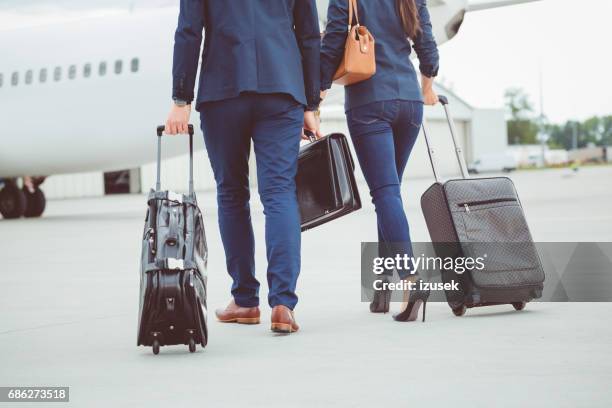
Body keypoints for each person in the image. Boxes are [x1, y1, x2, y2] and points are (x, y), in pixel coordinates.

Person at [165, 0, 322, 334]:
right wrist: (311, 103)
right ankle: (282, 304)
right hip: (282, 88)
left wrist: (181, 99)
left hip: (223, 89)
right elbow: (309, 35)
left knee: (232, 194)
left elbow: (189, 31)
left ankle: (246, 299)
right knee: (279, 192)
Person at [320, 0, 440, 321]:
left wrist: (316, 95)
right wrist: (427, 89)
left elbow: (333, 39)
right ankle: (381, 287)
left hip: (369, 101)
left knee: (385, 193)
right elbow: (427, 44)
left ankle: (410, 281)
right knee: (389, 195)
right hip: (409, 102)